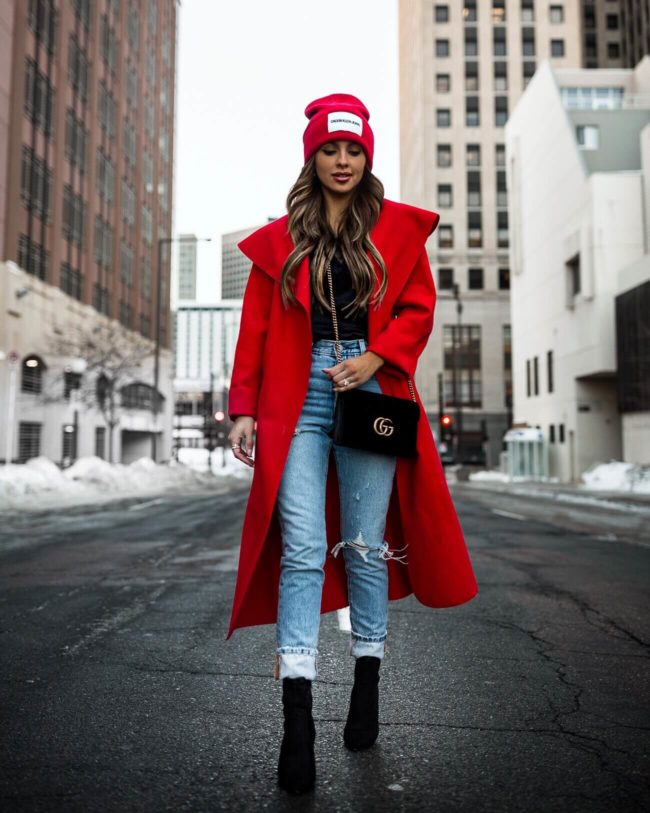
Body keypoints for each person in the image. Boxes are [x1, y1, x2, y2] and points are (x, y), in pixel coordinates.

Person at [227, 93, 478, 795]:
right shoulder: (279, 240)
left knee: (365, 542)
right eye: (331, 149)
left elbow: (418, 308)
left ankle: (366, 681)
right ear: (313, 156)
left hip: (370, 388)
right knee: (304, 545)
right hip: (297, 395)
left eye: (354, 150)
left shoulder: (394, 230)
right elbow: (255, 328)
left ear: (367, 157)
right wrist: (243, 406)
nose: (343, 160)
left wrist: (377, 357)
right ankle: (297, 723)